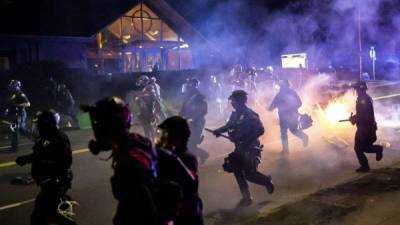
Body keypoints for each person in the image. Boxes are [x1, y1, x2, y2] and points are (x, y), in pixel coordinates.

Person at [82, 97, 159, 225]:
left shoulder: (129, 161)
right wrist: (101, 146)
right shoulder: (131, 141)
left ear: (108, 126)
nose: (96, 128)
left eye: (99, 123)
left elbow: (145, 203)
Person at [212, 90, 274, 207]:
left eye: (233, 100)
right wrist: (219, 130)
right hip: (240, 148)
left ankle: (266, 181)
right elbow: (229, 126)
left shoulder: (250, 114)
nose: (232, 103)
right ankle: (246, 198)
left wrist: (247, 141)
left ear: (239, 101)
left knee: (250, 175)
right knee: (236, 169)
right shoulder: (235, 114)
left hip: (250, 148)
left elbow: (260, 129)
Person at [15, 110, 76, 225]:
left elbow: (66, 161)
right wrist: (26, 159)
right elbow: (41, 154)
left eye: (40, 125)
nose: (38, 128)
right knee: (45, 218)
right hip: (48, 185)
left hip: (55, 185)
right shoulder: (46, 138)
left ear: (48, 125)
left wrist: (46, 166)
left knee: (52, 218)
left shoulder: (59, 138)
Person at [156, 116, 204, 225]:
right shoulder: (169, 156)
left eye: (166, 134)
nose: (162, 138)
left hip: (185, 215)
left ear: (177, 137)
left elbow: (188, 187)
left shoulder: (185, 158)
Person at [348, 81, 383, 173]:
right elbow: (362, 113)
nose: (356, 91)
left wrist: (354, 119)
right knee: (365, 148)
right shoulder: (365, 98)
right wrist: (354, 118)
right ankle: (377, 149)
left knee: (358, 148)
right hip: (368, 128)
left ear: (360, 89)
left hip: (365, 129)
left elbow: (364, 115)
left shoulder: (363, 100)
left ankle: (365, 166)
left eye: (357, 90)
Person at [268, 79, 308, 154]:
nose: (281, 87)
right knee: (283, 133)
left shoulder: (292, 93)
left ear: (286, 85)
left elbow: (299, 103)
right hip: (282, 117)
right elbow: (273, 105)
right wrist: (269, 109)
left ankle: (304, 137)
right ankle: (285, 150)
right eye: (280, 86)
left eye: (282, 85)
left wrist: (291, 107)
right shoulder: (279, 95)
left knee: (293, 130)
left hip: (292, 116)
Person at [180, 78, 209, 164]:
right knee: (187, 142)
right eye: (189, 84)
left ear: (195, 85)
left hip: (197, 122)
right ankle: (202, 154)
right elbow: (184, 107)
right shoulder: (187, 95)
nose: (189, 85)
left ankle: (198, 157)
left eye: (191, 84)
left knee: (191, 143)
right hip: (188, 121)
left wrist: (194, 118)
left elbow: (203, 111)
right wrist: (181, 114)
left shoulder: (199, 96)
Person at [5, 80, 31, 152]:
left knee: (18, 129)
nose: (11, 86)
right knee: (17, 129)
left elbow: (28, 104)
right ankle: (14, 147)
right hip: (14, 114)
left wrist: (19, 105)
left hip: (20, 114)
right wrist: (8, 110)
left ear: (17, 86)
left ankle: (14, 148)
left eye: (13, 85)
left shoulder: (21, 94)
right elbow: (11, 104)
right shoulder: (12, 94)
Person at [135, 75, 157, 141]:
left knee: (148, 125)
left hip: (149, 110)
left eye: (141, 81)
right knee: (146, 126)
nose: (140, 83)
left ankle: (152, 140)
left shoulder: (149, 87)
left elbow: (152, 95)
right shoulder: (146, 88)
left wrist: (140, 97)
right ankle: (149, 140)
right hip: (145, 110)